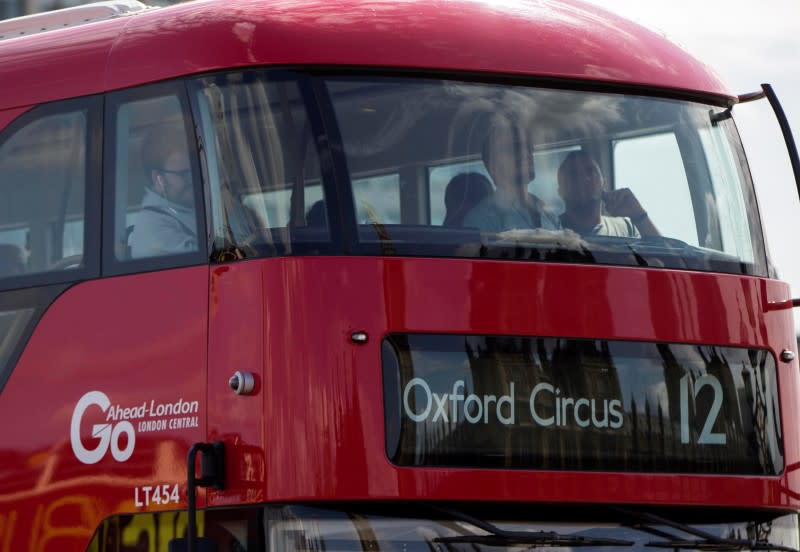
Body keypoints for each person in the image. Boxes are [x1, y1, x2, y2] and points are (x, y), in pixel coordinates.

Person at [463, 116, 560, 232]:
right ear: (493, 166)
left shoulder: (549, 213)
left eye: (528, 148)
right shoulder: (482, 217)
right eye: (515, 148)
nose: (526, 154)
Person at [129, 127, 198, 258]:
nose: (192, 179)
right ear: (158, 179)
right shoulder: (153, 229)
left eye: (193, 171)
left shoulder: (181, 207)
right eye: (183, 174)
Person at [557, 150, 659, 237]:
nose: (584, 178)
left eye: (590, 171)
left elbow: (666, 259)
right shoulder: (550, 229)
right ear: (561, 192)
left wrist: (639, 215)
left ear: (603, 184)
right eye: (573, 174)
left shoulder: (625, 228)